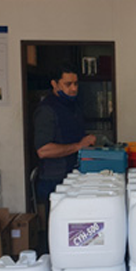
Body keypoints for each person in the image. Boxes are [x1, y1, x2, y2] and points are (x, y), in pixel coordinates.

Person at [34, 62, 96, 215]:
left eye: (76, 84)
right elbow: (43, 150)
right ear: (54, 84)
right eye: (68, 84)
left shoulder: (73, 106)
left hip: (74, 176)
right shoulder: (47, 110)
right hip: (54, 180)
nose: (73, 88)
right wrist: (79, 145)